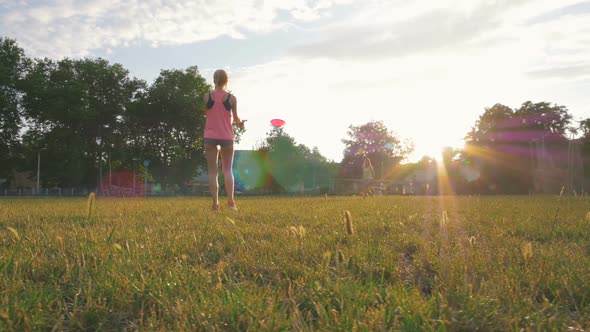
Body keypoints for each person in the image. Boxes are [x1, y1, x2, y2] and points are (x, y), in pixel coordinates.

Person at [203, 69, 245, 211]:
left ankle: (215, 204)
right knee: (228, 171)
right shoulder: (232, 99)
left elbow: (207, 114)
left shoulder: (206, 97)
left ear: (214, 80)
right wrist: (239, 123)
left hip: (210, 137)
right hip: (227, 137)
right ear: (227, 80)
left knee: (212, 172)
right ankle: (231, 203)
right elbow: (236, 119)